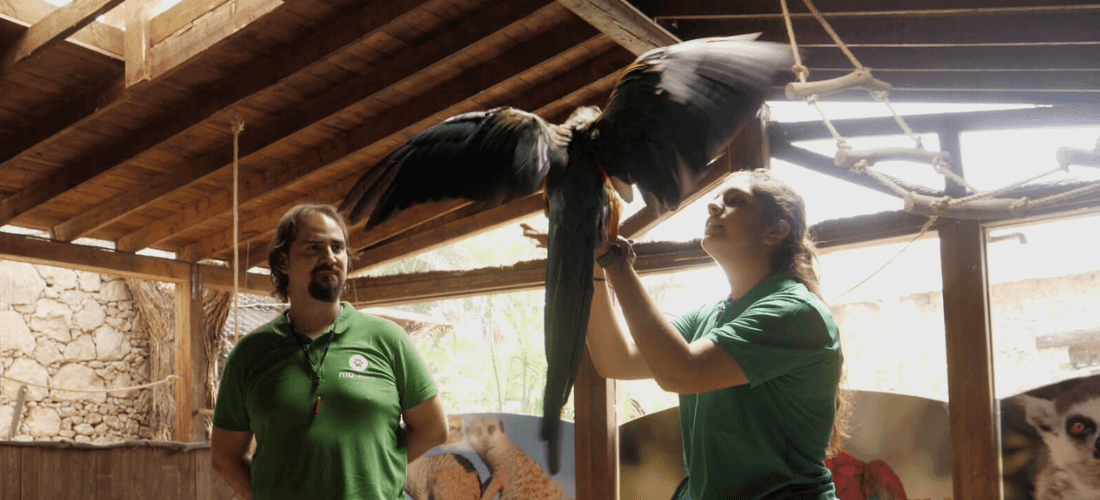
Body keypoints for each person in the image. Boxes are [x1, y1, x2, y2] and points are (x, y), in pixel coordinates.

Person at [587, 169, 844, 500]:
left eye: (735, 200)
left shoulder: (796, 312)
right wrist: (591, 262)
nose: (713, 207)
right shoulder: (710, 316)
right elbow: (616, 360)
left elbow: (682, 371)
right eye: (714, 200)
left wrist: (615, 263)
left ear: (776, 230)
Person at [211, 203, 448, 500]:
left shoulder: (387, 339)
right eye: (313, 247)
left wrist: (375, 472)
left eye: (338, 247)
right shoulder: (251, 353)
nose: (330, 257)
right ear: (283, 262)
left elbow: (434, 427)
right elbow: (225, 456)